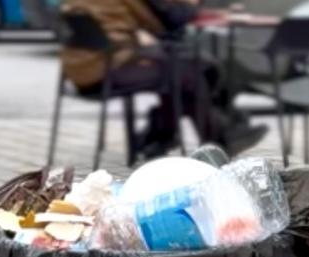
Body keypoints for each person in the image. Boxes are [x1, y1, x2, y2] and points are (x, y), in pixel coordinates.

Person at [60, 0, 267, 158]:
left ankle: (161, 134)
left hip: (83, 66)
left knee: (189, 66)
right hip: (103, 67)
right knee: (187, 72)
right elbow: (171, 20)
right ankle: (215, 138)